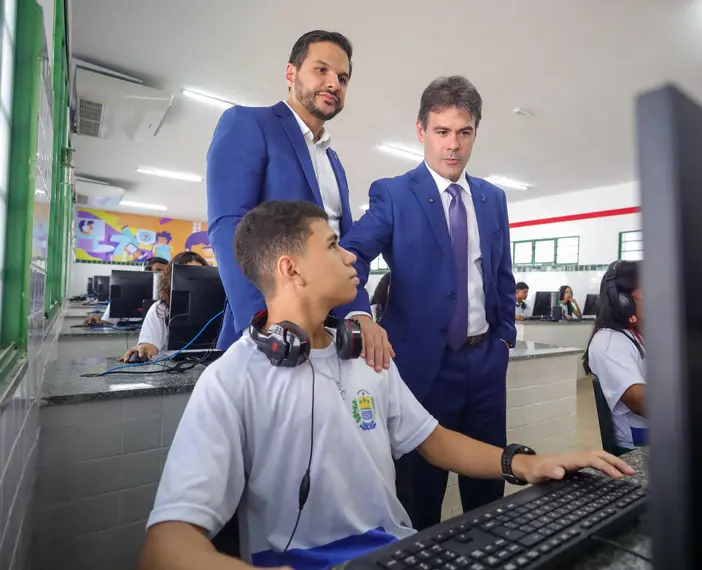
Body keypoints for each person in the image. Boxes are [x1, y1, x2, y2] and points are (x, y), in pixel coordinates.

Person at [139, 201, 634, 570]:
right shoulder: (230, 380)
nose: (352, 258)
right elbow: (166, 546)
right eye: (332, 246)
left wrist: (526, 463)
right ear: (290, 269)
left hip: (397, 551)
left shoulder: (365, 354)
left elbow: (433, 440)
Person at [337, 76, 516, 530]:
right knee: (421, 498)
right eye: (441, 131)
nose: (452, 145)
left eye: (464, 132)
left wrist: (504, 340)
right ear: (421, 130)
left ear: (475, 132)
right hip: (421, 369)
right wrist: (360, 314)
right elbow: (349, 255)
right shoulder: (394, 194)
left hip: (485, 365)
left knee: (488, 492)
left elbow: (500, 275)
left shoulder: (493, 199)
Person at [206, 29, 391, 369]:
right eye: (321, 70)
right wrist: (263, 322)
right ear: (291, 73)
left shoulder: (333, 162)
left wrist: (359, 310)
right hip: (272, 338)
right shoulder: (248, 124)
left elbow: (343, 249)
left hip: (331, 338)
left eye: (343, 78)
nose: (334, 83)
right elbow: (229, 226)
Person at [583, 261, 646, 455]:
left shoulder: (643, 334)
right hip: (638, 447)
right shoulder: (609, 342)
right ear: (623, 299)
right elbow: (641, 402)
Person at [120, 252, 208, 362]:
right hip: (173, 368)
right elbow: (150, 345)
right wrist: (145, 348)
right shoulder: (161, 308)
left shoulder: (222, 308)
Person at [83, 256, 169, 327]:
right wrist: (97, 321)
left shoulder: (170, 295)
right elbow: (108, 323)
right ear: (147, 270)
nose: (162, 275)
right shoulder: (125, 293)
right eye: (158, 270)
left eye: (166, 272)